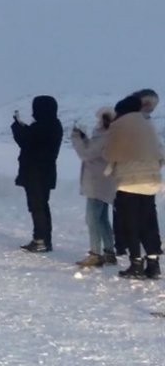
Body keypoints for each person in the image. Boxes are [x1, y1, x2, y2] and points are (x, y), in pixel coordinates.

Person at [103, 95, 163, 279]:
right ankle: (153, 264)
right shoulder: (148, 125)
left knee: (131, 223)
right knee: (149, 222)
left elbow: (110, 154)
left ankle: (136, 264)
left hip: (129, 183)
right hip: (151, 181)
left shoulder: (119, 125)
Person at [11, 95, 63, 253]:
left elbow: (26, 142)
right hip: (45, 172)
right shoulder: (52, 124)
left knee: (37, 206)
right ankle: (44, 239)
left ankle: (40, 239)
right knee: (42, 206)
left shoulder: (42, 126)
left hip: (35, 173)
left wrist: (17, 127)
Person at [70, 107, 118, 267]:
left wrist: (77, 138)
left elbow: (87, 154)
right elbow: (92, 150)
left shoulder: (104, 136)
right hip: (103, 182)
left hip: (97, 183)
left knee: (92, 219)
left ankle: (95, 253)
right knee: (102, 219)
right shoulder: (109, 135)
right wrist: (85, 139)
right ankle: (109, 252)